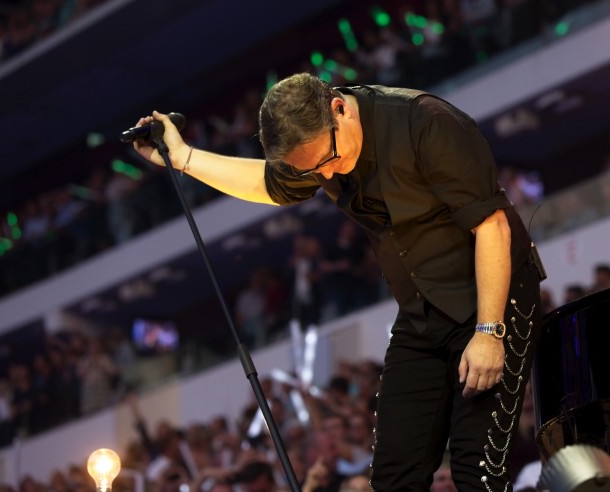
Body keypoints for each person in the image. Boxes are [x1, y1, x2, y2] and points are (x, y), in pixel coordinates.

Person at [131, 72, 545, 491]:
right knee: (392, 478)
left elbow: (491, 225)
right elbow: (269, 185)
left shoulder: (424, 121)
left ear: (339, 108)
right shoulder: (318, 151)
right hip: (422, 311)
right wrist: (182, 157)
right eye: (312, 171)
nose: (327, 172)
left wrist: (489, 331)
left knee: (477, 471)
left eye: (327, 160)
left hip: (493, 298)